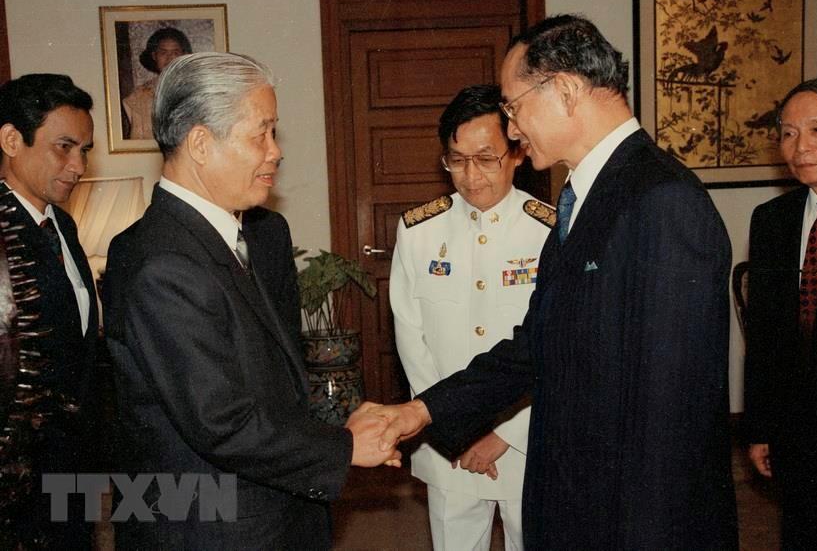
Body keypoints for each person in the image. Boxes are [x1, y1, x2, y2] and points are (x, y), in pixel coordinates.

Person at [370, 14, 739, 549]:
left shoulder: (662, 200)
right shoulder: (586, 195)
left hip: (627, 521)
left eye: (513, 108)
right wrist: (422, 410)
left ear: (564, 90)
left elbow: (670, 417)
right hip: (577, 498)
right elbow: (539, 344)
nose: (512, 129)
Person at [101, 52, 398, 549]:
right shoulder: (162, 262)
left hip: (274, 502)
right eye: (260, 134)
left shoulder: (256, 233)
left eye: (274, 133)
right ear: (201, 143)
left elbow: (275, 375)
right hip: (216, 526)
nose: (275, 152)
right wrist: (344, 446)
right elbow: (220, 421)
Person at [390, 84, 552, 551]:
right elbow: (411, 339)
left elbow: (553, 345)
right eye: (457, 160)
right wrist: (453, 424)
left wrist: (504, 433)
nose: (471, 175)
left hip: (527, 440)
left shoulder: (549, 230)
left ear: (517, 152)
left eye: (485, 158)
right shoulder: (419, 231)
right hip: (449, 444)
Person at [745, 77, 817, 549]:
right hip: (796, 437)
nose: (800, 146)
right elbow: (763, 339)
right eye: (788, 133)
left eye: (816, 130)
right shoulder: (772, 220)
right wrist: (760, 428)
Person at [0, 73, 98, 548]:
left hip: (70, 458)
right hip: (17, 468)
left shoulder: (63, 224)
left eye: (85, 150)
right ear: (11, 140)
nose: (78, 165)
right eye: (64, 147)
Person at [121, 26, 192, 140]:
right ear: (154, 56)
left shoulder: (196, 91)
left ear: (183, 55)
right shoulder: (139, 96)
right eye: (163, 52)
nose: (169, 58)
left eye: (175, 52)